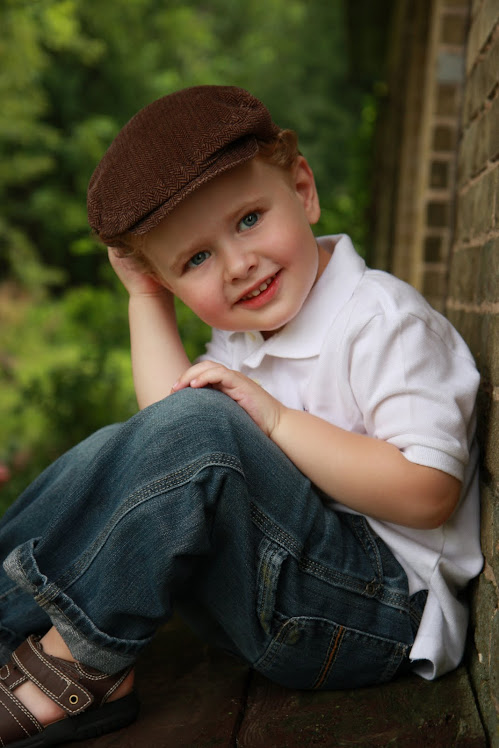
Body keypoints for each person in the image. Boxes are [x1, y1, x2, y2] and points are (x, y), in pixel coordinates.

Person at [0, 86, 482, 747]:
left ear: (302, 189)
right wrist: (146, 297)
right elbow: (161, 454)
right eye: (194, 261)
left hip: (378, 612)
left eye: (249, 219)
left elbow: (428, 493)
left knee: (202, 424)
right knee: (125, 446)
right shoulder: (249, 338)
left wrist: (277, 423)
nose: (237, 264)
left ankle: (82, 663)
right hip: (276, 595)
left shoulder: (380, 323)